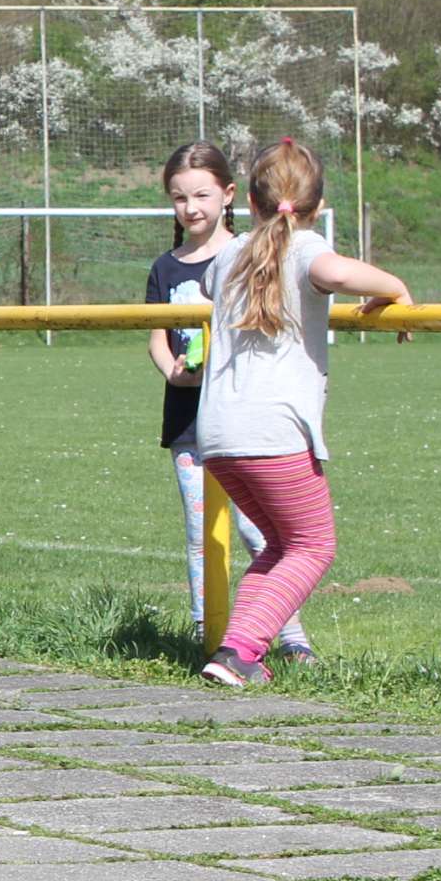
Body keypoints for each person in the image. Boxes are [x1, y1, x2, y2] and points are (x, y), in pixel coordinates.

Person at [194, 138, 412, 690]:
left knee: (281, 545)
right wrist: (395, 287)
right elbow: (337, 274)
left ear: (250, 200)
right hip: (273, 432)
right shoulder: (307, 249)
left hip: (217, 433)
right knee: (313, 545)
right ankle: (240, 652)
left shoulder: (229, 255)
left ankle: (235, 651)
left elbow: (208, 282)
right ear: (318, 205)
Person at [145, 143, 305, 659]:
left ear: (229, 195)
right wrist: (174, 371)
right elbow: (156, 337)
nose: (190, 208)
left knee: (262, 533)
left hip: (243, 422)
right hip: (189, 423)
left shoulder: (248, 255)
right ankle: (205, 630)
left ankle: (289, 638)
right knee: (201, 534)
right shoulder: (165, 268)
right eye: (179, 198)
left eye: (201, 195)